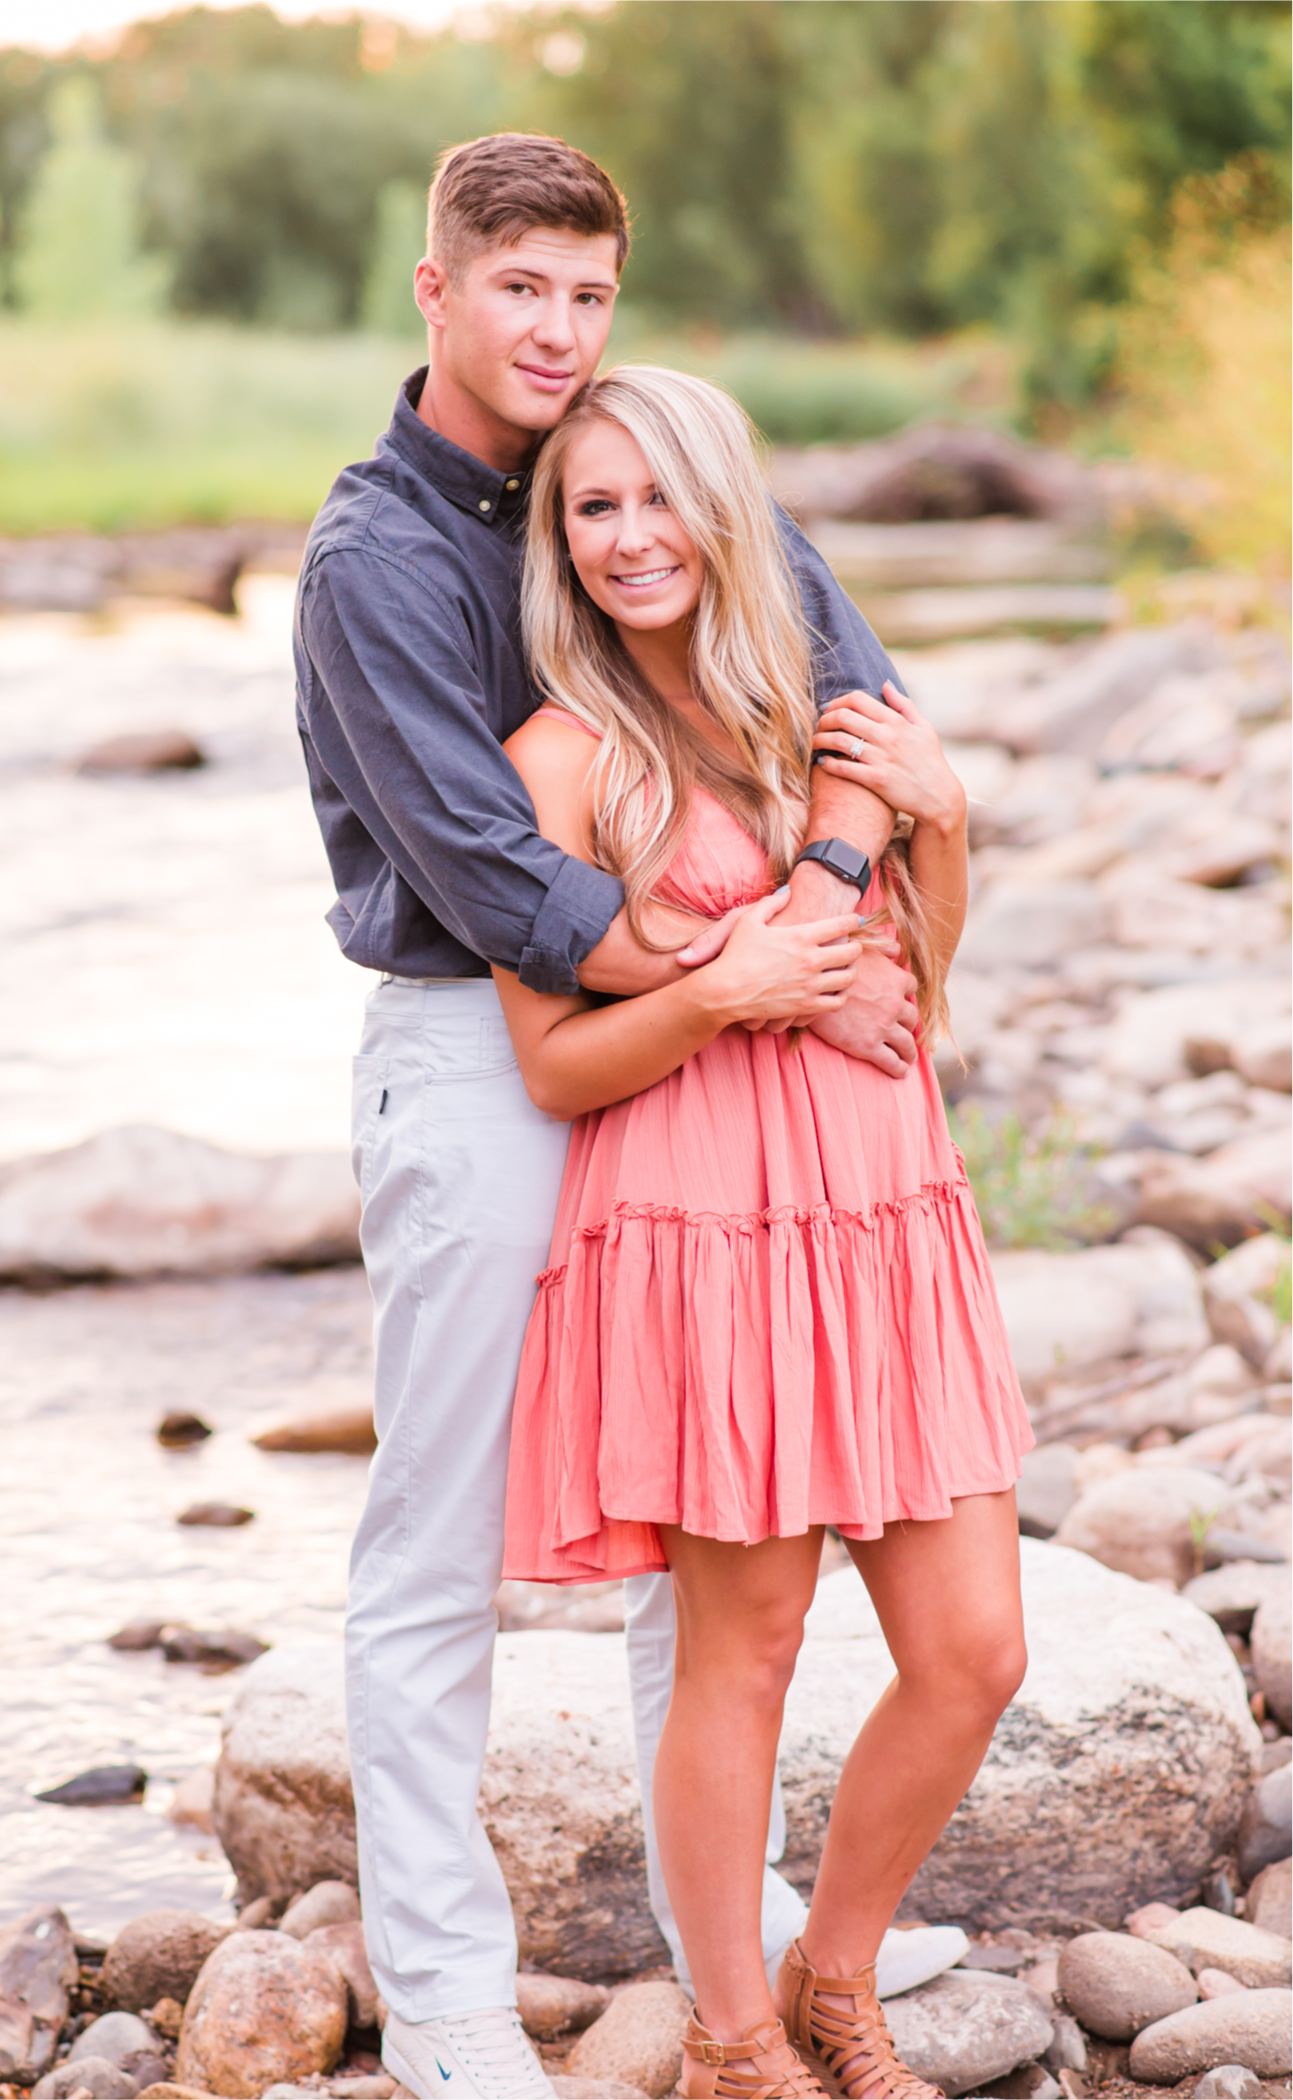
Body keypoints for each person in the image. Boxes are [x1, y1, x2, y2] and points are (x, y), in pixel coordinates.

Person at [295, 133, 962, 2100]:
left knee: (710, 1518)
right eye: (520, 291)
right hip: (484, 1051)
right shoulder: (377, 559)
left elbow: (857, 695)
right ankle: (439, 1999)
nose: (557, 331)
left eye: (587, 292)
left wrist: (834, 912)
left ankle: (733, 1953)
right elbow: (502, 885)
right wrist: (742, 977)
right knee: (440, 1543)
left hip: (705, 1034)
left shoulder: (638, 459)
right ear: (436, 291)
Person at [494, 364, 1033, 2100]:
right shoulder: (563, 763)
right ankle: (735, 2038)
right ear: (559, 544)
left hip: (882, 1216)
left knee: (975, 1652)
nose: (630, 536)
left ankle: (835, 1973)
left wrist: (940, 810)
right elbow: (558, 1066)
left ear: (730, 509)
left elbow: (918, 971)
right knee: (751, 1652)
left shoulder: (827, 712)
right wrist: (731, 992)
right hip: (707, 1233)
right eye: (593, 508)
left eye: (659, 498)